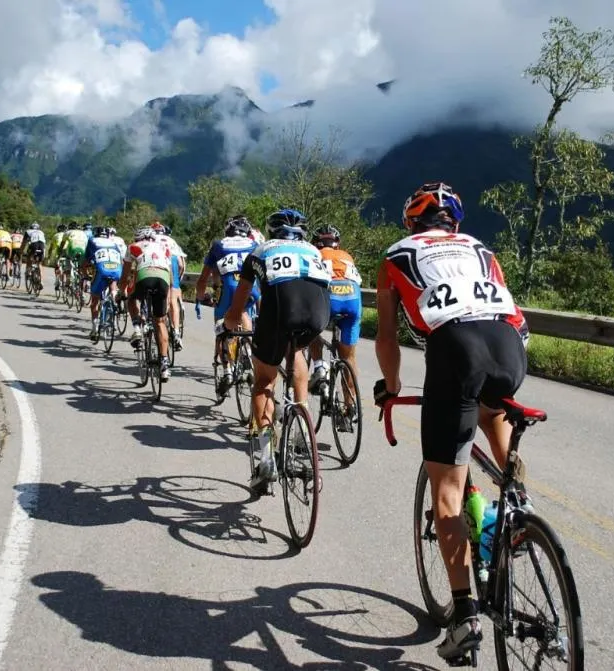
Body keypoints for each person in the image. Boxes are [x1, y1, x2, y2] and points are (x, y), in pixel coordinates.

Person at [372, 182, 530, 662]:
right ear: (454, 224)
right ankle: (518, 512)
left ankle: (464, 617)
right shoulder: (481, 250)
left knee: (446, 491)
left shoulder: (396, 256)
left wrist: (392, 387)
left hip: (455, 350)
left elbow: (386, 337)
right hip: (511, 346)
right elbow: (508, 312)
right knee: (491, 416)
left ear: (411, 222)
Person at [223, 209, 331, 491]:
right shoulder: (314, 251)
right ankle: (303, 419)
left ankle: (266, 458)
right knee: (295, 349)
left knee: (263, 381)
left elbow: (241, 298)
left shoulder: (260, 250)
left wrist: (229, 324)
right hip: (318, 315)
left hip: (281, 312)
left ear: (272, 232)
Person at [195, 215, 261, 400]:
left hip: (229, 288)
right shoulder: (254, 244)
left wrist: (201, 296)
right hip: (252, 289)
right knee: (243, 312)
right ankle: (247, 352)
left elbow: (203, 279)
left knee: (221, 327)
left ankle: (227, 370)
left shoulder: (219, 245)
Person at [307, 225, 363, 427]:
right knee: (348, 356)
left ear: (316, 242)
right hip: (353, 298)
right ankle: (350, 408)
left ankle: (320, 368)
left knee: (311, 330)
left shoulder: (314, 254)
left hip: (329, 297)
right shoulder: (346, 255)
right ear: (337, 243)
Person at [120, 227, 173, 381]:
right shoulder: (164, 246)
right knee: (160, 321)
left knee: (132, 299)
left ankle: (137, 328)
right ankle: (164, 364)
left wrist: (121, 291)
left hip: (145, 276)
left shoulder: (133, 247)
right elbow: (169, 274)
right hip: (163, 280)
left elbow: (125, 275)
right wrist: (168, 296)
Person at [151, 221, 187, 351]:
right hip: (173, 263)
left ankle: (162, 326)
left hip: (160, 263)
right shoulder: (171, 241)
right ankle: (176, 332)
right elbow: (181, 264)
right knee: (173, 301)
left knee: (163, 299)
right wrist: (178, 280)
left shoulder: (151, 240)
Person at [84, 226, 124, 342]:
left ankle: (95, 329)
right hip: (117, 269)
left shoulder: (92, 241)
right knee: (113, 284)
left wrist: (85, 274)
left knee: (95, 300)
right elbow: (121, 260)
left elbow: (86, 261)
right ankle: (114, 297)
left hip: (102, 269)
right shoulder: (113, 242)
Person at [21, 222, 47, 288]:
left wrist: (21, 251)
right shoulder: (41, 232)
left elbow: (24, 243)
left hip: (34, 244)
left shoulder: (28, 231)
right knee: (39, 263)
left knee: (29, 257)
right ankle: (41, 281)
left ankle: (29, 272)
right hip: (42, 246)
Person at [46, 222, 67, 292]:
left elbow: (51, 247)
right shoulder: (67, 234)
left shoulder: (55, 235)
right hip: (67, 252)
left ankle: (58, 281)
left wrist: (48, 256)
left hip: (59, 252)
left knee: (57, 267)